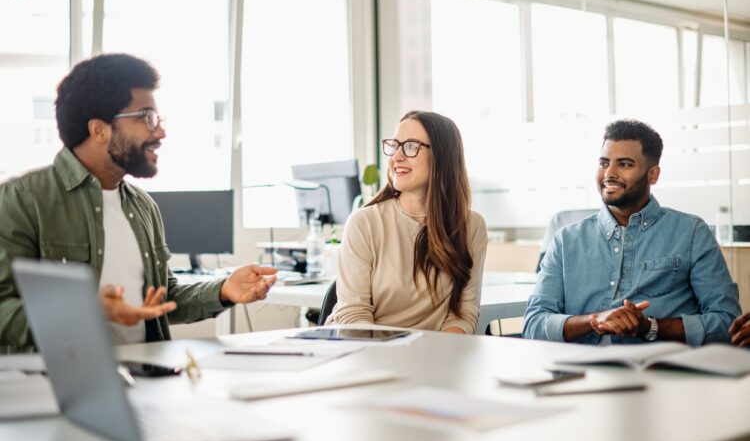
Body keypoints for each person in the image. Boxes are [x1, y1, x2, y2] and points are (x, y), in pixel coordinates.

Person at [0, 53, 276, 353]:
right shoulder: (23, 199)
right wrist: (81, 312)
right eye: (147, 117)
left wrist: (223, 290)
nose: (160, 132)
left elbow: (162, 298)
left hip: (143, 377)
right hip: (56, 387)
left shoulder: (142, 206)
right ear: (99, 129)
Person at [523, 119, 740, 346]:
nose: (610, 173)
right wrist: (594, 320)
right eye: (604, 163)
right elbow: (534, 324)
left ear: (653, 175)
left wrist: (650, 327)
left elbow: (727, 321)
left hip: (660, 374)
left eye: (624, 164)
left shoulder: (691, 233)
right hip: (580, 374)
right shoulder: (566, 241)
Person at [326, 111, 487, 334]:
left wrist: (437, 360)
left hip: (430, 358)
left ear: (442, 156)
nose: (396, 157)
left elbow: (463, 313)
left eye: (411, 146)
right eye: (394, 145)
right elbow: (354, 317)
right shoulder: (365, 223)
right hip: (365, 354)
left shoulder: (471, 226)